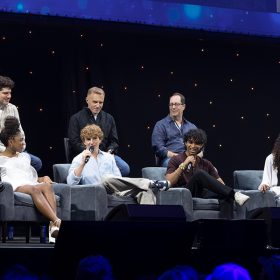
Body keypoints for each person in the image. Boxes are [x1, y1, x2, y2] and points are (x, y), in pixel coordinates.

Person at [67, 124, 169, 204]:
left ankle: (147, 227)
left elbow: (119, 179)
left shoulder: (109, 157)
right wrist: (82, 164)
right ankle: (150, 183)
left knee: (146, 192)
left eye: (95, 138)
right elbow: (71, 183)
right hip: (94, 192)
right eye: (88, 139)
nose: (92, 142)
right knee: (105, 178)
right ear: (84, 142)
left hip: (115, 192)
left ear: (100, 140)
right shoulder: (78, 159)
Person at [0, 116, 61, 242]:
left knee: (47, 186)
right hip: (13, 185)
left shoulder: (25, 157)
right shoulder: (1, 158)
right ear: (11, 141)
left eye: (24, 140)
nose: (24, 143)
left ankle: (53, 227)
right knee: (34, 189)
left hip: (28, 183)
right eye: (21, 140)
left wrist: (43, 178)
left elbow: (29, 176)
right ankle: (56, 221)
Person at [165, 128, 250, 217]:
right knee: (199, 174)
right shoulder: (176, 159)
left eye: (197, 143)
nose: (193, 146)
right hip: (185, 192)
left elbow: (221, 184)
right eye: (190, 142)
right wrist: (184, 164)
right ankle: (234, 194)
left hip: (202, 192)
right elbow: (169, 181)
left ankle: (225, 227)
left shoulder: (206, 163)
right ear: (185, 143)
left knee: (226, 195)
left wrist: (219, 187)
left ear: (202, 146)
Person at [68, 86, 130, 176]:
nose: (98, 105)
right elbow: (74, 142)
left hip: (105, 155)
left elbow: (114, 141)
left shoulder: (109, 118)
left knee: (124, 168)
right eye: (95, 102)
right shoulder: (76, 118)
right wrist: (91, 152)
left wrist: (108, 153)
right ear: (87, 100)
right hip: (85, 154)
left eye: (101, 102)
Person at [0, 75, 42, 172]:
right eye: (5, 93)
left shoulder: (13, 108)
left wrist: (21, 147)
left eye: (10, 93)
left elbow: (20, 132)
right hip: (3, 151)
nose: (9, 96)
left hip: (13, 149)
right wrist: (6, 152)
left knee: (36, 162)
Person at [152, 92, 198, 167]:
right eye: (171, 104)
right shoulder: (161, 125)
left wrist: (196, 158)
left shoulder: (192, 127)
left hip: (191, 159)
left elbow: (200, 148)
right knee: (177, 164)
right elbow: (158, 148)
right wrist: (179, 157)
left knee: (212, 170)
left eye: (176, 104)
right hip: (171, 159)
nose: (173, 107)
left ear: (183, 106)